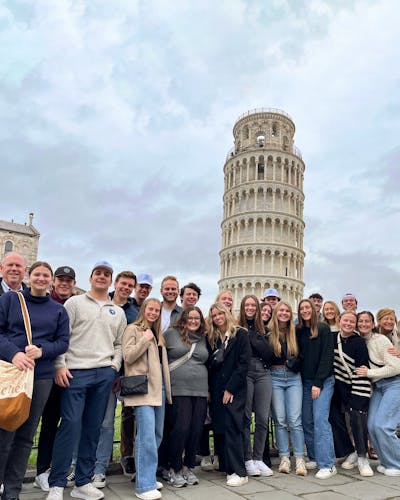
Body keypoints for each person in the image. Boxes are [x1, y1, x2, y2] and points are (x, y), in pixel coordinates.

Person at [47, 261, 127, 500]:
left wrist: (114, 366)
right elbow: (62, 336)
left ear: (111, 281)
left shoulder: (118, 311)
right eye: (98, 273)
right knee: (70, 426)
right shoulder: (74, 303)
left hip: (104, 373)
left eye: (106, 274)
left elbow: (119, 344)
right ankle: (57, 483)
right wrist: (59, 364)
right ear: (91, 277)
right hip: (76, 372)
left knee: (93, 428)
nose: (102, 277)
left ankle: (83, 482)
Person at [0, 261, 69, 500]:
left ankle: (12, 491)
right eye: (37, 274)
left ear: (51, 280)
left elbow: (63, 341)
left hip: (41, 377)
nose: (41, 279)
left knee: (26, 435)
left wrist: (43, 351)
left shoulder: (58, 310)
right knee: (5, 430)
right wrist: (14, 353)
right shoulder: (10, 300)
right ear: (29, 276)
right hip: (12, 373)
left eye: (45, 275)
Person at [122, 298, 171, 500]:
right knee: (146, 436)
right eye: (150, 309)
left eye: (157, 310)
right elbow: (128, 356)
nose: (153, 312)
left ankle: (148, 475)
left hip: (158, 388)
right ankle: (143, 486)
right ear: (143, 309)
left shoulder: (158, 333)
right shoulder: (133, 329)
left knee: (157, 434)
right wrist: (144, 339)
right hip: (143, 389)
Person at [93, 271, 138, 489]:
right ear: (115, 284)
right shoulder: (101, 304)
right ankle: (90, 466)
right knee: (99, 421)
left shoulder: (134, 311)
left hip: (126, 373)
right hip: (103, 370)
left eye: (130, 285)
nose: (126, 287)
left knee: (124, 420)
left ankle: (121, 460)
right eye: (123, 283)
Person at [34, 266, 77, 492]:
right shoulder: (47, 304)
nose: (64, 283)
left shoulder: (75, 304)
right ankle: (39, 470)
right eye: (61, 279)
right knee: (40, 423)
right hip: (45, 371)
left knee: (61, 422)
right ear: (54, 281)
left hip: (70, 372)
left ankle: (51, 468)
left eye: (69, 280)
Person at [164, 306, 208, 487]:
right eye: (190, 318)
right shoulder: (170, 334)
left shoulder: (204, 338)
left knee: (195, 429)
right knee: (180, 428)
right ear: (183, 319)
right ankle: (173, 468)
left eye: (197, 318)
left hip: (200, 389)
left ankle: (187, 466)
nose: (193, 321)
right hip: (179, 388)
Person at [207, 302, 250, 487]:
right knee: (221, 428)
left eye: (220, 314)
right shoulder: (214, 337)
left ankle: (239, 471)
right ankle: (226, 466)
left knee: (233, 427)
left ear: (227, 313)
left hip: (234, 388)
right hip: (217, 388)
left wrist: (231, 388)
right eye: (214, 315)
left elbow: (243, 363)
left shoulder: (240, 334)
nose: (217, 317)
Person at [356, 311, 400, 476]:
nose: (364, 324)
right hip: (378, 387)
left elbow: (396, 367)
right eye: (360, 321)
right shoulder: (360, 340)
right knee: (372, 426)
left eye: (367, 321)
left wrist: (368, 373)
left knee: (384, 425)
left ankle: (397, 463)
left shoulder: (380, 340)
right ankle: (387, 462)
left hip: (394, 384)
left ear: (373, 323)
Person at [329, 310, 373, 477]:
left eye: (352, 322)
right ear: (339, 321)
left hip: (355, 385)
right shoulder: (332, 338)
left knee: (357, 418)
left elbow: (361, 368)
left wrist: (357, 393)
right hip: (336, 387)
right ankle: (349, 451)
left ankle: (362, 457)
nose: (348, 324)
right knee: (333, 417)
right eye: (345, 320)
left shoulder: (359, 342)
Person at [296, 299, 335, 479]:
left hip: (323, 381)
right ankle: (314, 456)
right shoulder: (299, 331)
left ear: (313, 309)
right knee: (307, 421)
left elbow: (327, 357)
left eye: (307, 307)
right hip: (305, 381)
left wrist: (318, 383)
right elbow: (301, 357)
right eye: (301, 308)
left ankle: (327, 464)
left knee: (320, 420)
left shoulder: (323, 328)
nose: (305, 311)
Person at [237, 295, 274, 477]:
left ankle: (258, 458)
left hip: (263, 372)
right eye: (247, 305)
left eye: (253, 305)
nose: (250, 308)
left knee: (262, 417)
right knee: (245, 418)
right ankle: (247, 458)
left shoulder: (265, 329)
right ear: (243, 307)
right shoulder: (237, 328)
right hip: (246, 372)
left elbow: (271, 354)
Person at [120, 273, 153, 477]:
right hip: (128, 366)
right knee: (128, 415)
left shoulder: (148, 309)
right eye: (141, 286)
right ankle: (127, 455)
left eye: (147, 287)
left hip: (149, 369)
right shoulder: (128, 309)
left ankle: (142, 456)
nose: (143, 289)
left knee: (144, 416)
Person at [268, 301, 306, 475]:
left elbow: (304, 354)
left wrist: (294, 363)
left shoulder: (296, 332)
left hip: (293, 378)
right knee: (280, 420)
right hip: (275, 377)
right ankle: (284, 457)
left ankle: (299, 458)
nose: (284, 313)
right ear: (276, 313)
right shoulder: (269, 333)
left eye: (287, 311)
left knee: (295, 420)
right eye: (281, 310)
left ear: (291, 314)